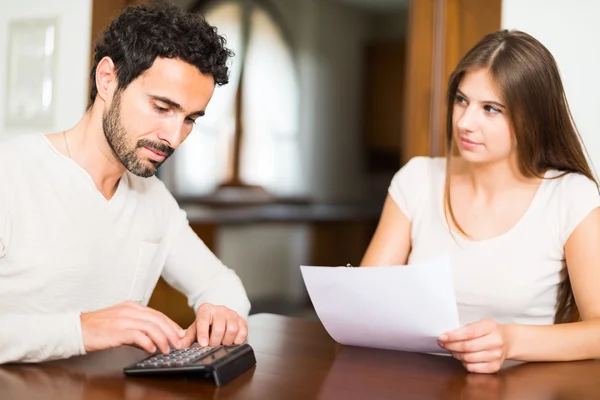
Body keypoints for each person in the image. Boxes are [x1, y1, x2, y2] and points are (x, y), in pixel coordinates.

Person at [0, 2, 250, 364]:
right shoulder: (11, 175)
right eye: (162, 108)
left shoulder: (153, 199)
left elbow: (222, 283)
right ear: (107, 79)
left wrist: (221, 313)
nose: (174, 137)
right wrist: (84, 329)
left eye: (190, 119)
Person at [361, 30, 600, 373]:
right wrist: (347, 295)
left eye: (490, 109)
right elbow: (367, 301)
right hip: (416, 384)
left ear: (532, 118)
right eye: (461, 100)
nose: (465, 122)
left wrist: (511, 341)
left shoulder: (570, 195)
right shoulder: (417, 179)